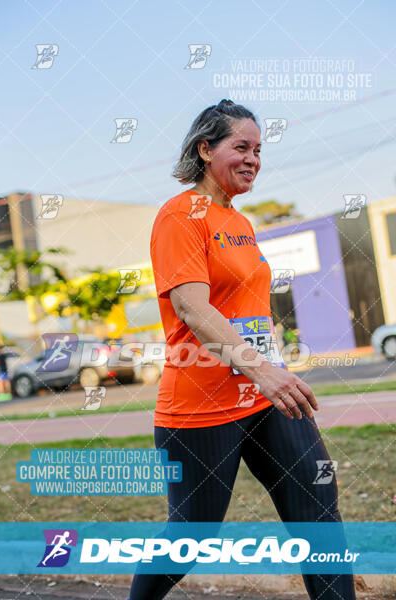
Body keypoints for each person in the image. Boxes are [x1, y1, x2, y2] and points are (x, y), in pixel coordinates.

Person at [128, 99, 356, 599]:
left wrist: (271, 369)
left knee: (318, 509)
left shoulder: (242, 223)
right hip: (202, 404)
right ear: (205, 149)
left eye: (258, 149)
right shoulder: (179, 216)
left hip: (263, 395)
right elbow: (192, 308)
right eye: (241, 147)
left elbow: (247, 308)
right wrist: (265, 371)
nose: (253, 158)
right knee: (193, 536)